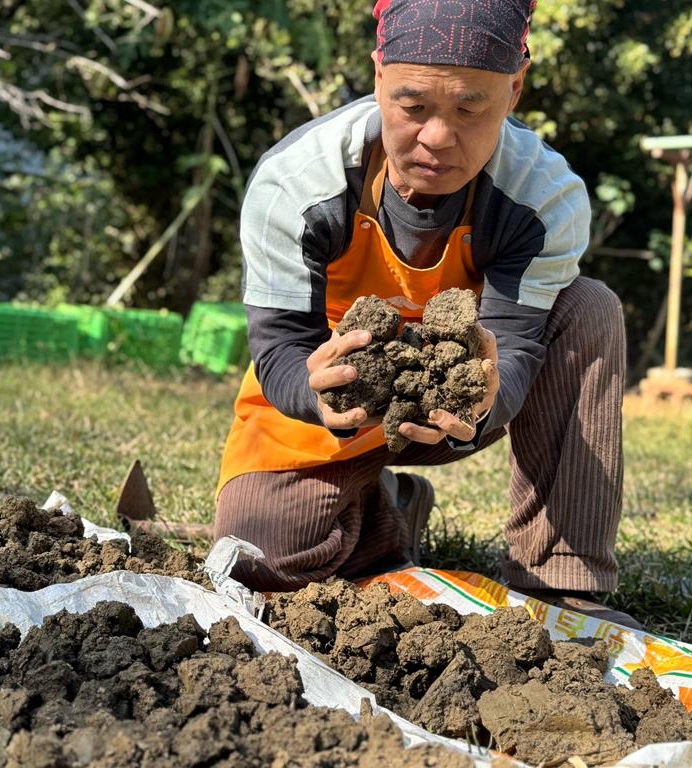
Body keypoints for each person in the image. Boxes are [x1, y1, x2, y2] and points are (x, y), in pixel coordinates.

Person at [214, 0, 637, 627]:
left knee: (588, 307)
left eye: (470, 108)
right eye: (413, 107)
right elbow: (278, 348)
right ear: (378, 76)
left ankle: (563, 583)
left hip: (455, 409)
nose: (437, 138)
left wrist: (489, 397)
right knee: (261, 565)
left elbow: (517, 343)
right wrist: (310, 388)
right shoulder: (296, 184)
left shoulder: (543, 197)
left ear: (515, 90)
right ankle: (388, 511)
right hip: (331, 402)